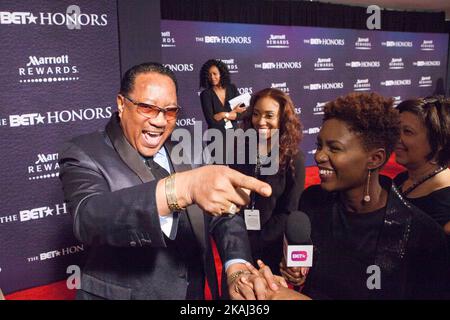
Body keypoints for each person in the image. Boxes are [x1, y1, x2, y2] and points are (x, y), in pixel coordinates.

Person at [58, 62, 276, 300]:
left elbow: (224, 216)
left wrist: (236, 266)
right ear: (122, 104)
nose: (160, 121)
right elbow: (88, 217)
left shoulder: (190, 149)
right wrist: (181, 189)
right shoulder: (84, 151)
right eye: (148, 108)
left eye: (170, 111)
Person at [234, 92, 450, 300]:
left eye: (334, 149)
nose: (319, 156)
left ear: (374, 159)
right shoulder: (312, 201)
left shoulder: (422, 237)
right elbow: (305, 269)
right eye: (319, 145)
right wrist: (294, 273)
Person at [231, 88, 305, 274]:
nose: (261, 121)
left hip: (270, 249)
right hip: (237, 242)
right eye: (256, 114)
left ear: (282, 118)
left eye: (269, 115)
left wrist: (256, 240)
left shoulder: (293, 158)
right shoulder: (240, 148)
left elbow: (288, 210)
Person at [394, 97, 450, 236]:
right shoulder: (401, 179)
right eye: (396, 130)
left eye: (408, 131)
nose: (396, 139)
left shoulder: (445, 198)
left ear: (438, 142)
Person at [199, 59, 246, 133]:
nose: (212, 77)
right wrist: (233, 113)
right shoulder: (205, 94)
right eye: (209, 74)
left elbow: (243, 114)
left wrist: (223, 114)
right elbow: (212, 122)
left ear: (221, 74)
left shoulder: (232, 88)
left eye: (215, 74)